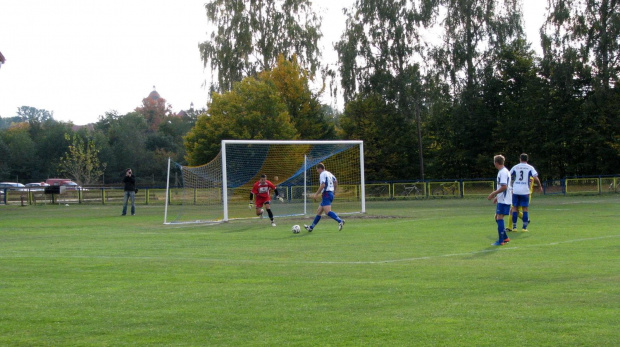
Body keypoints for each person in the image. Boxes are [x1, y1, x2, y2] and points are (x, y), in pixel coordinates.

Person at [304, 163, 345, 232]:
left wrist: (316, 194)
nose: (317, 171)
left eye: (317, 169)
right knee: (319, 211)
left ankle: (340, 221)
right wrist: (334, 191)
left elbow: (323, 185)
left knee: (327, 212)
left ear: (320, 168)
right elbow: (335, 181)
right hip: (329, 194)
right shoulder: (329, 173)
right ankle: (311, 228)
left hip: (326, 194)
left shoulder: (322, 174)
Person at [509, 153, 543, 232]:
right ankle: (524, 228)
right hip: (525, 190)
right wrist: (539, 186)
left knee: (514, 208)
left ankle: (514, 227)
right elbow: (535, 178)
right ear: (527, 159)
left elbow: (508, 176)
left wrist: (510, 186)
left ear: (520, 159)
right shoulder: (530, 167)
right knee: (525, 209)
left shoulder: (515, 167)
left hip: (516, 190)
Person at [487, 155, 512, 246]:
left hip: (504, 199)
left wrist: (493, 193)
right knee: (497, 217)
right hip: (503, 198)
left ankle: (501, 240)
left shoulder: (502, 172)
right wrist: (497, 197)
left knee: (499, 218)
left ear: (496, 163)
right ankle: (505, 237)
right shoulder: (505, 171)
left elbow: (504, 186)